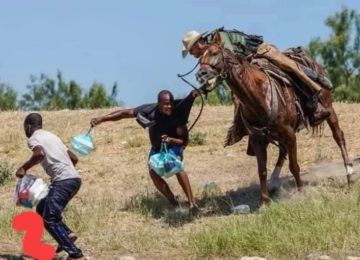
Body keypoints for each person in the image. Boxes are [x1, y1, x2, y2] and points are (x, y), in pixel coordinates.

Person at [181, 28, 331, 128]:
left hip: (260, 52)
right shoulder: (207, 55)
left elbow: (230, 63)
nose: (192, 54)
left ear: (198, 44)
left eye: (191, 50)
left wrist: (211, 83)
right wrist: (205, 87)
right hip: (247, 65)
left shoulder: (218, 39)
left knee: (289, 68)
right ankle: (244, 128)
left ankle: (315, 94)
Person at [90, 89, 200, 210]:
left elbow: (184, 142)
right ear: (159, 104)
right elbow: (124, 114)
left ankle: (192, 203)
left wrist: (170, 140)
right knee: (153, 173)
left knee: (177, 167)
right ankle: (175, 204)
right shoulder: (149, 111)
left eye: (170, 103)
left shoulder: (178, 115)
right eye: (165, 104)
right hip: (157, 148)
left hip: (174, 146)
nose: (169, 106)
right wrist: (102, 119)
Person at [16, 113, 88, 260]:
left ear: (28, 126)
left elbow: (39, 154)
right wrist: (61, 172)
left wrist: (24, 168)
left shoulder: (34, 138)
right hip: (74, 179)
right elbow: (74, 158)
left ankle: (76, 255)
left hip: (64, 181)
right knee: (42, 207)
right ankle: (67, 234)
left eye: (25, 128)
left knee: (49, 218)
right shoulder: (53, 136)